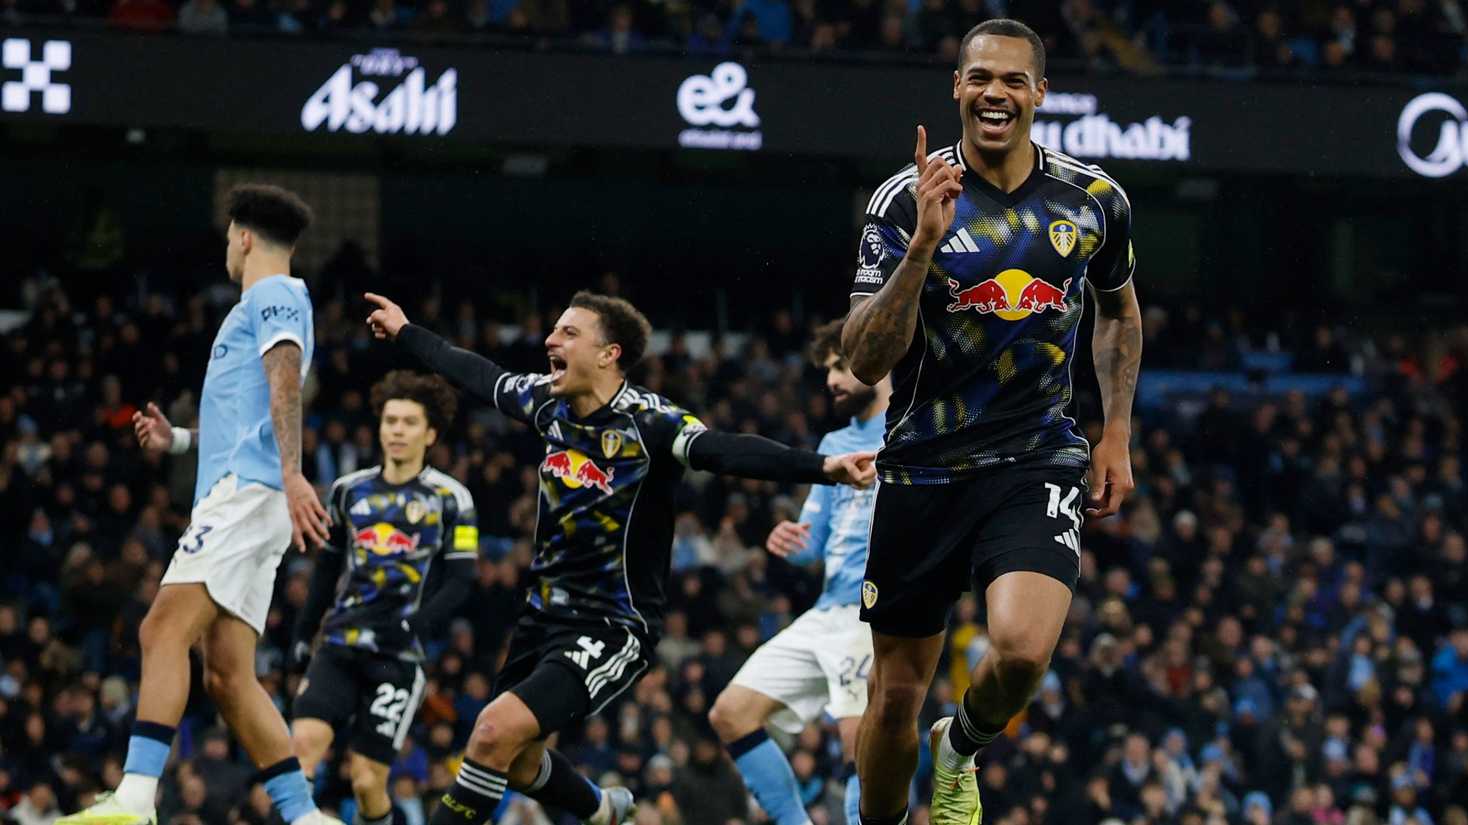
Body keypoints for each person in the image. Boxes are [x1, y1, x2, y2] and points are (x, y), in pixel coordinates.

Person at [361, 291, 877, 825]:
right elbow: (472, 371)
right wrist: (405, 332)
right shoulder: (546, 402)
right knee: (516, 762)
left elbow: (726, 449)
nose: (549, 341)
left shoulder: (650, 423)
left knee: (492, 731)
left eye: (568, 333)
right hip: (541, 618)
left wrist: (823, 468)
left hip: (612, 622)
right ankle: (603, 810)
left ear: (608, 354)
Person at [840, 18, 1142, 825]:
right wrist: (920, 251)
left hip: (1034, 455)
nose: (995, 93)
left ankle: (962, 743)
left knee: (1020, 649)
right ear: (956, 88)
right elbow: (864, 359)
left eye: (1013, 80)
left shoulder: (1093, 199)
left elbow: (1118, 310)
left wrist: (1114, 433)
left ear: (1040, 93)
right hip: (923, 466)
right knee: (894, 697)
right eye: (979, 78)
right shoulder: (905, 200)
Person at [58, 185, 340, 825]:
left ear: (242, 236)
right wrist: (179, 438)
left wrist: (294, 476)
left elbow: (286, 379)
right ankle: (305, 817)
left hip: (246, 495)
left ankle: (134, 801)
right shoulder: (269, 302)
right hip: (249, 491)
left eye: (227, 238)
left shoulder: (271, 296)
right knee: (228, 676)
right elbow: (250, 414)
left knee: (160, 629)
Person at [707, 318, 891, 825]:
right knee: (730, 713)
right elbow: (814, 542)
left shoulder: (913, 427)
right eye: (827, 370)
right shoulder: (833, 444)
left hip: (876, 612)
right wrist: (790, 540)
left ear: (878, 357)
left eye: (840, 365)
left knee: (858, 741)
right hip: (826, 610)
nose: (831, 380)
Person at [289, 371, 480, 825]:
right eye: (390, 420)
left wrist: (416, 624)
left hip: (397, 656)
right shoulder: (347, 491)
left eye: (409, 422)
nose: (397, 430)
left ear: (430, 433)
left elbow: (460, 582)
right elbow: (327, 568)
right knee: (298, 758)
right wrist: (303, 630)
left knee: (367, 780)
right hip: (337, 646)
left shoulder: (453, 499)